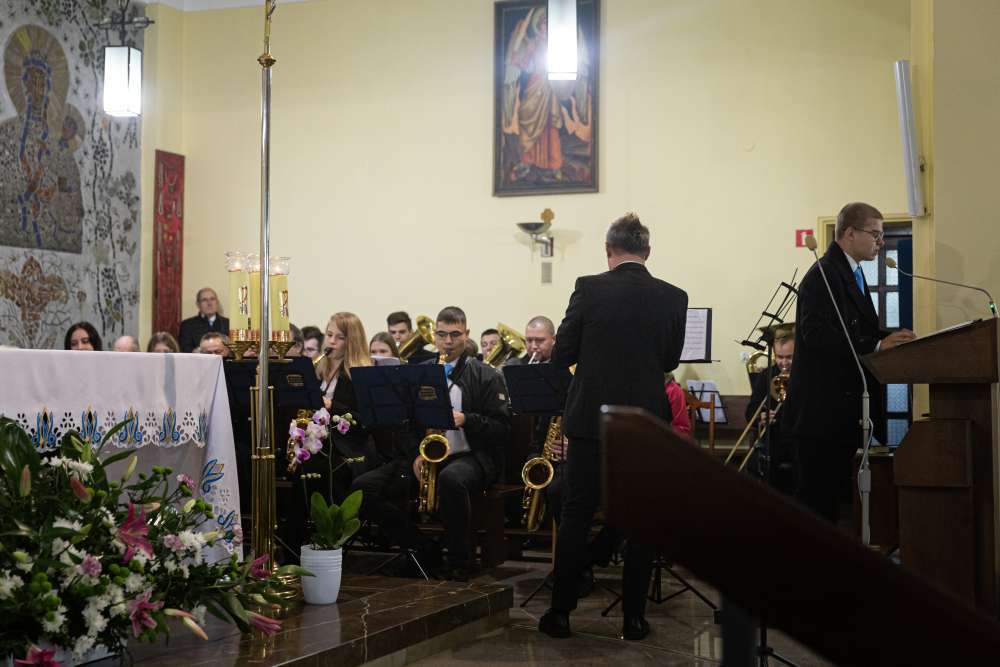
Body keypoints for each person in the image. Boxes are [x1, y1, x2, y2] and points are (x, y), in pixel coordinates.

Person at [540, 213, 688, 642]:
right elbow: (670, 360)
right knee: (640, 517)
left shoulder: (588, 288)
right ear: (648, 252)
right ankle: (633, 620)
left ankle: (561, 614)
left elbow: (562, 354)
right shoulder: (674, 296)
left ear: (608, 250)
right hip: (644, 421)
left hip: (590, 419)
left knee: (576, 513)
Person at [351, 306, 510, 581]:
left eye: (455, 334)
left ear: (466, 334)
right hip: (425, 456)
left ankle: (459, 561)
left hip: (471, 457)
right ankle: (420, 548)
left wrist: (467, 419)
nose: (448, 341)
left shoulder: (486, 375)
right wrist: (416, 454)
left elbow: (502, 429)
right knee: (364, 487)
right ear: (434, 336)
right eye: (442, 334)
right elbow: (404, 423)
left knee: (451, 479)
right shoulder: (418, 372)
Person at [783, 202, 914, 522]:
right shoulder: (823, 274)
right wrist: (877, 344)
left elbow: (854, 328)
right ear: (850, 233)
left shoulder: (850, 271)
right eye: (875, 234)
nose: (880, 242)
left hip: (840, 414)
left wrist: (890, 337)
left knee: (837, 506)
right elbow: (816, 335)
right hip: (820, 415)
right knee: (817, 507)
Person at [315, 312, 377, 482]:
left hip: (348, 449)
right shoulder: (318, 370)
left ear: (352, 342)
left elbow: (366, 422)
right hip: (322, 444)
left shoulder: (361, 375)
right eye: (329, 335)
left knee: (318, 467)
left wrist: (332, 406)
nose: (331, 341)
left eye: (340, 337)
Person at [744, 325, 795, 494]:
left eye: (789, 357)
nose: (784, 363)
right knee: (754, 464)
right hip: (774, 438)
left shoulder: (805, 376)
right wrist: (761, 416)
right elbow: (750, 411)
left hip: (796, 439)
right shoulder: (767, 375)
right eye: (780, 357)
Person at [177, 288, 230, 353]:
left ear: (217, 302)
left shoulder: (228, 323)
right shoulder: (187, 325)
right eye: (204, 300)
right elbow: (184, 349)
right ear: (198, 304)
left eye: (212, 299)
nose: (209, 303)